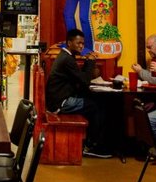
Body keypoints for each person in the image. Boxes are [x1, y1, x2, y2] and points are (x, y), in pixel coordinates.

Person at [45, 29, 113, 158]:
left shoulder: (66, 56)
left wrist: (88, 64)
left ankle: (90, 143)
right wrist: (91, 62)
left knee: (94, 103)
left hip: (58, 100)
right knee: (97, 106)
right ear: (69, 43)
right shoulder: (67, 59)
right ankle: (92, 146)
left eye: (83, 43)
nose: (81, 46)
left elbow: (80, 78)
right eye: (78, 43)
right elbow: (85, 80)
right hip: (60, 104)